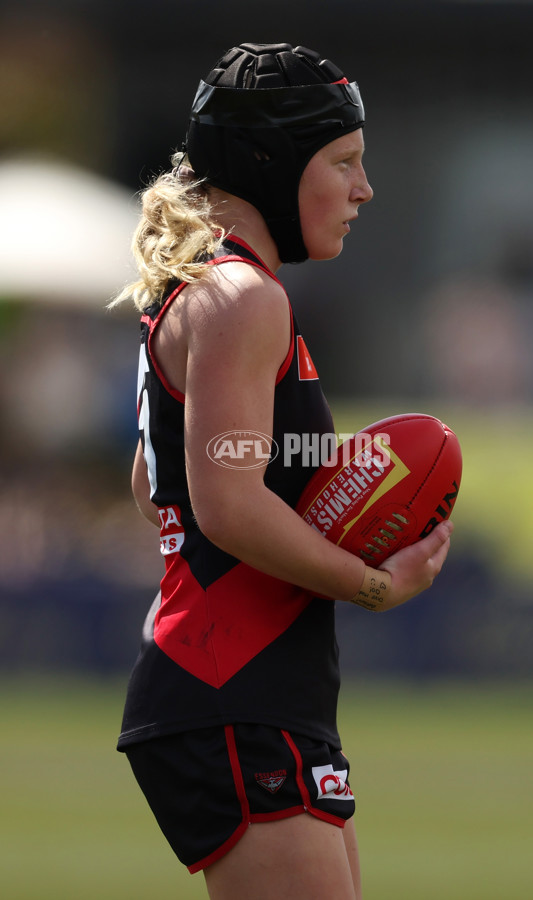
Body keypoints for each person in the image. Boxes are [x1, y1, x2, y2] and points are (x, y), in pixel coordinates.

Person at [114, 42, 453, 900]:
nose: (364, 189)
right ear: (269, 163)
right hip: (233, 689)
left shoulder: (206, 291)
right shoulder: (243, 298)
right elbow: (226, 507)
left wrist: (312, 492)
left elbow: (155, 485)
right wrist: (372, 582)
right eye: (342, 162)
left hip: (251, 691)